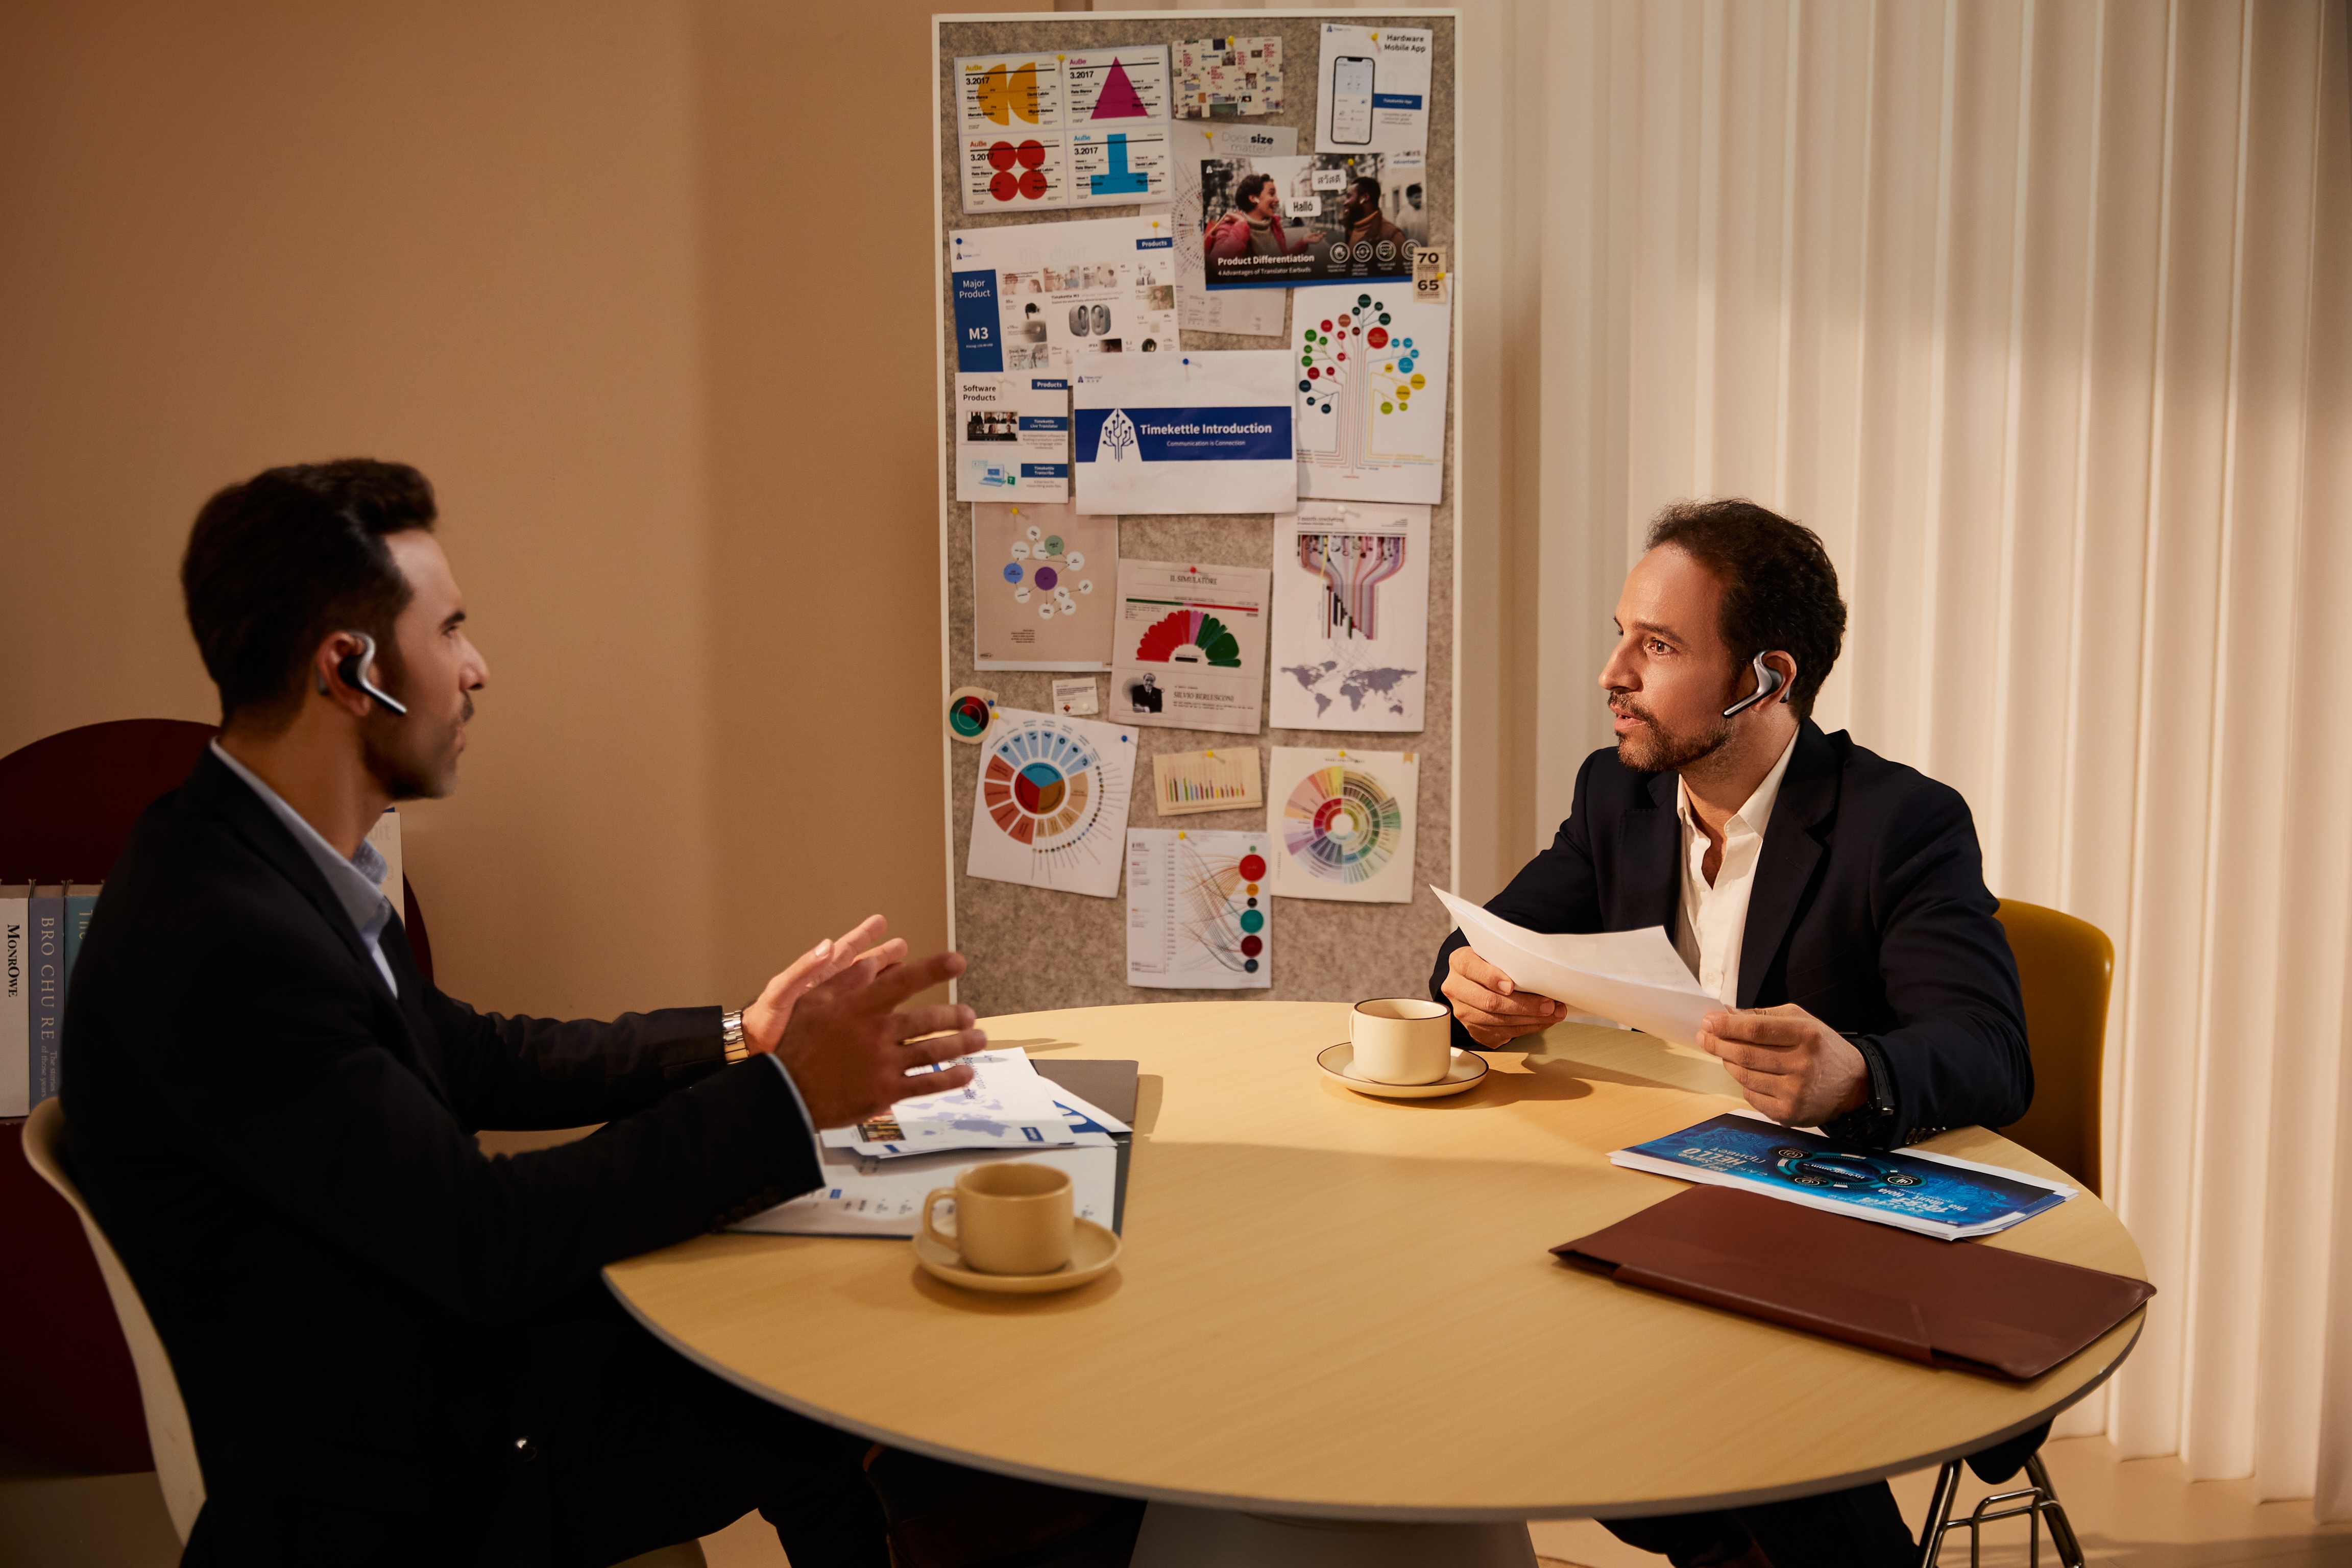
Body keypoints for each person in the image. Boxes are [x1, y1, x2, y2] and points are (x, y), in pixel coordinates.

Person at [60, 461, 1134, 1567]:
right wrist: (785, 1095)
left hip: (427, 1380)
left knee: (817, 1346)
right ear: (351, 670)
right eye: (449, 631)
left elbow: (476, 1056)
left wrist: (743, 1039)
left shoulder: (253, 856)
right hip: (405, 1485)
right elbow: (485, 1239)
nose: (476, 668)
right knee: (845, 1394)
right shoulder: (225, 942)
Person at [1428, 498, 2030, 1567]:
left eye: (1657, 646)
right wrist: (1470, 988)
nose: (1612, 673)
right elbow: (1491, 941)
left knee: (1722, 1425)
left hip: (1826, 1223)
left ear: (1765, 677)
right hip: (1655, 1200)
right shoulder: (1616, 794)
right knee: (1519, 1355)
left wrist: (1854, 1073)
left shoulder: (1901, 823)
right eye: (1620, 635)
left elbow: (1990, 1048)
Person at [1204, 170, 1309, 261]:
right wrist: (1241, 224)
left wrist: (1304, 242)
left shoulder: (1274, 225)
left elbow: (1280, 261)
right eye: (1272, 194)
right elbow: (1220, 264)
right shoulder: (1229, 226)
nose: (1277, 200)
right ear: (1254, 198)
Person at [1340, 176, 1409, 256]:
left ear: (1365, 198)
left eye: (1349, 197)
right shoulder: (1351, 229)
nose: (1345, 203)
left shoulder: (1393, 237)